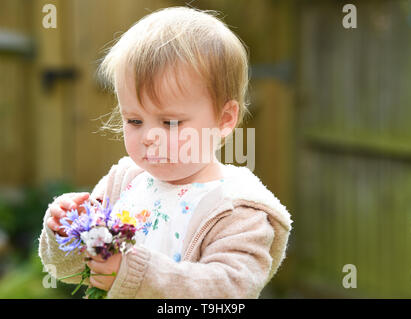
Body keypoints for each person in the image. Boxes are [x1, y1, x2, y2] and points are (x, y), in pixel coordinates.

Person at [39, 6, 292, 299]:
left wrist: (132, 272)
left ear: (224, 119)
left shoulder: (237, 209)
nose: (149, 137)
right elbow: (69, 271)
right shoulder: (124, 183)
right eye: (134, 121)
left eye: (170, 123)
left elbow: (228, 290)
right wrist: (65, 232)